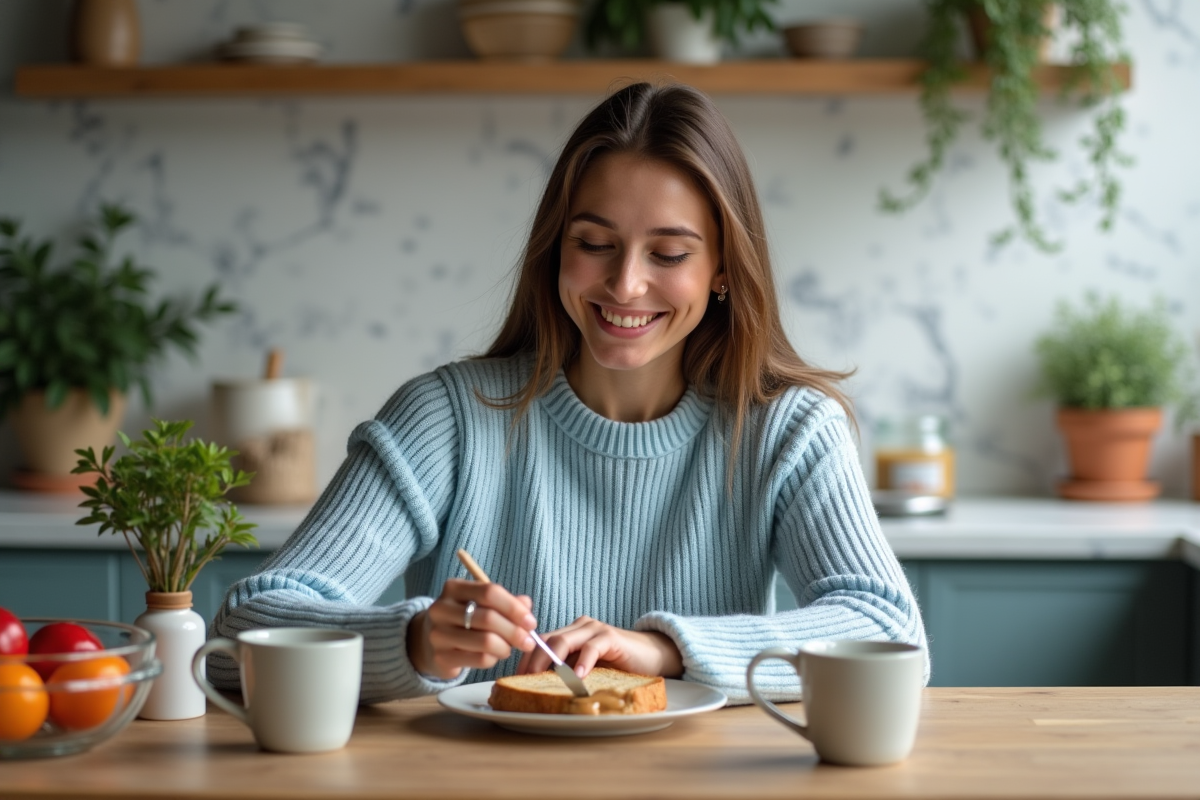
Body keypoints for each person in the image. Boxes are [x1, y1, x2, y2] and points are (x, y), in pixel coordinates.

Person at [209, 82, 927, 705]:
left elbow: (893, 636)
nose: (624, 285)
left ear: (722, 272)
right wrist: (415, 640)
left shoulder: (787, 429)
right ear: (556, 248)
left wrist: (666, 649)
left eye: (669, 254)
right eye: (593, 243)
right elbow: (245, 628)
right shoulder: (448, 420)